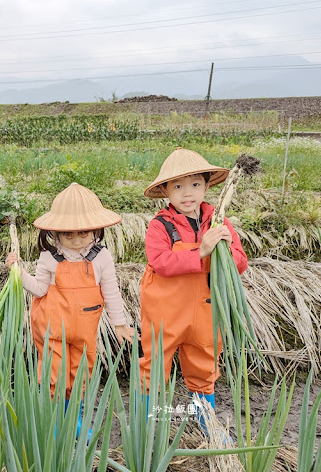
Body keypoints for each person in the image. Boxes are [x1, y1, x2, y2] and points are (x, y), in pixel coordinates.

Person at [6, 182, 134, 438]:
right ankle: (55, 422)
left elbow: (111, 292)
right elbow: (40, 289)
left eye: (83, 233)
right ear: (55, 233)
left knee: (80, 378)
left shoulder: (102, 257)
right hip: (53, 331)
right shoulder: (50, 257)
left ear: (96, 230)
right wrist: (17, 271)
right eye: (68, 234)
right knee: (54, 379)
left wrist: (119, 323)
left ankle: (74, 421)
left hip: (85, 332)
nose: (76, 240)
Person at [139, 146, 247, 432]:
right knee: (154, 364)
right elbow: (160, 262)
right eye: (178, 186)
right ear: (165, 190)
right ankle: (149, 425)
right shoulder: (160, 225)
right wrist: (202, 250)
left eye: (195, 184)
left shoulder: (220, 222)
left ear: (207, 186)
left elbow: (240, 263)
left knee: (204, 363)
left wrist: (223, 248)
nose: (188, 193)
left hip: (205, 309)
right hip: (165, 311)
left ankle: (205, 422)